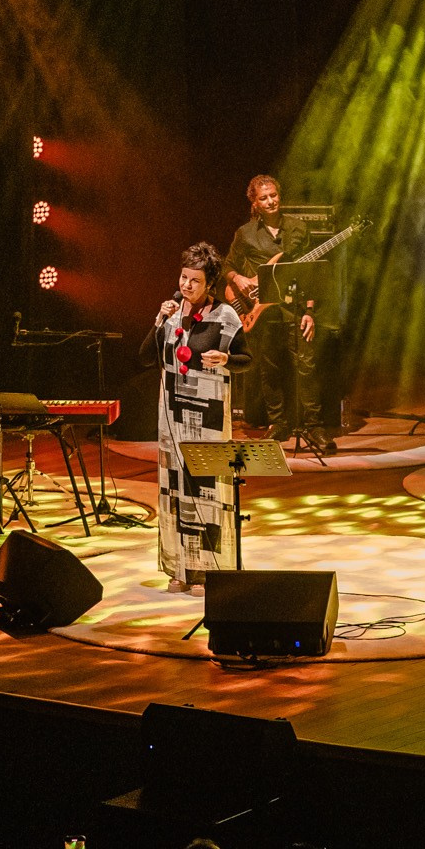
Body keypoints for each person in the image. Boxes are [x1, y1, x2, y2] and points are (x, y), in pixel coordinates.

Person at [140, 242, 242, 591]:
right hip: (172, 416)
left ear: (209, 283)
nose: (186, 285)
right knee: (175, 491)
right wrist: (159, 319)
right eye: (183, 277)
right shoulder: (171, 315)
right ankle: (180, 570)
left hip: (208, 418)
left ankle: (206, 571)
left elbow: (248, 359)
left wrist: (226, 360)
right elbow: (145, 356)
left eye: (194, 280)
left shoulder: (224, 316)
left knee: (205, 492)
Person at [221, 174, 324, 444]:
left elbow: (311, 275)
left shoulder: (299, 228)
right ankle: (279, 423)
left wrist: (310, 312)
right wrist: (239, 279)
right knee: (270, 370)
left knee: (307, 368)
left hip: (295, 309)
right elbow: (226, 266)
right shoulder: (245, 234)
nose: (271, 201)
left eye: (274, 195)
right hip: (264, 314)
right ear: (255, 203)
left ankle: (314, 426)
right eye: (264, 198)